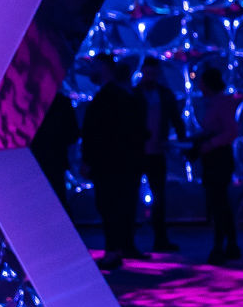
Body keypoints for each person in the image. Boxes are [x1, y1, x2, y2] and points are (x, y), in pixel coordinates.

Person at [79, 59, 147, 264]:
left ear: (105, 69)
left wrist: (88, 159)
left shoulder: (106, 97)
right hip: (126, 161)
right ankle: (122, 247)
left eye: (94, 66)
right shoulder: (124, 96)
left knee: (109, 205)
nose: (91, 71)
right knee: (123, 204)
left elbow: (94, 132)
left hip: (108, 162)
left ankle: (114, 250)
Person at [190, 62, 243, 263]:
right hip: (216, 157)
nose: (199, 87)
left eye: (201, 83)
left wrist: (210, 143)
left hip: (218, 158)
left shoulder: (221, 103)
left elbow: (231, 131)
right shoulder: (215, 102)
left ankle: (220, 247)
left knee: (219, 203)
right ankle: (230, 245)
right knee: (221, 203)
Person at [136, 57, 186, 260]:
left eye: (154, 73)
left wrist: (182, 142)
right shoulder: (135, 94)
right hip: (138, 152)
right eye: (149, 73)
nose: (151, 77)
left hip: (156, 151)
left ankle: (160, 239)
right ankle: (129, 242)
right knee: (133, 196)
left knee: (159, 197)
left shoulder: (164, 95)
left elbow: (176, 119)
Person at [30, 85, 81, 205]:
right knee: (57, 199)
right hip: (55, 160)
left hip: (35, 159)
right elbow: (73, 134)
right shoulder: (61, 102)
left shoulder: (29, 101)